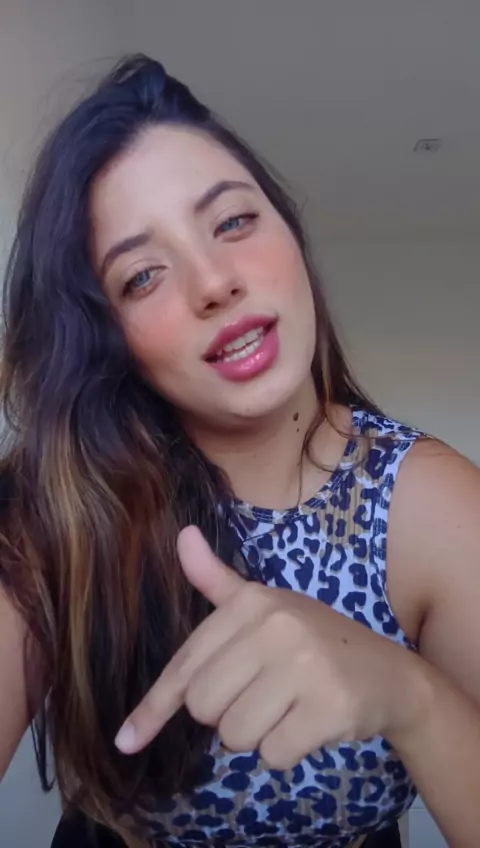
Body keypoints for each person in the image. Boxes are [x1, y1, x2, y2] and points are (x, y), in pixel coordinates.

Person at [0, 54, 479, 848]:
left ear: (290, 233)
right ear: (109, 339)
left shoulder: (430, 505)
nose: (214, 283)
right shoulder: (54, 510)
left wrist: (411, 696)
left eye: (232, 223)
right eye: (142, 276)